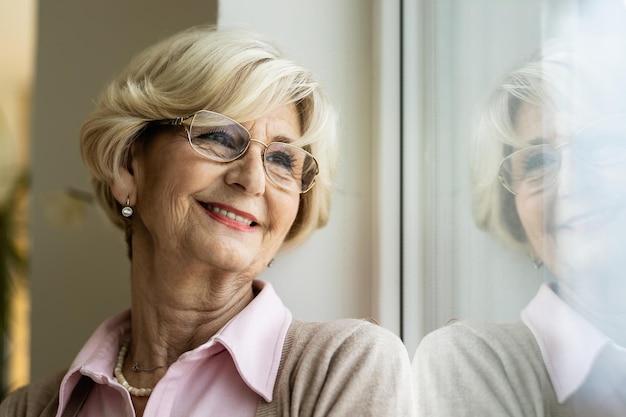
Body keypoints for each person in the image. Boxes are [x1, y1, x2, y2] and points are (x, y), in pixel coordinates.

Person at [0, 25, 416, 416]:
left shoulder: (342, 368)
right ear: (128, 166)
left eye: (282, 159)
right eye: (219, 136)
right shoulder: (28, 409)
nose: (253, 180)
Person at [413, 33, 626, 416]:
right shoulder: (476, 363)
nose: (571, 185)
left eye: (600, 144)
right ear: (515, 214)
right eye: (538, 163)